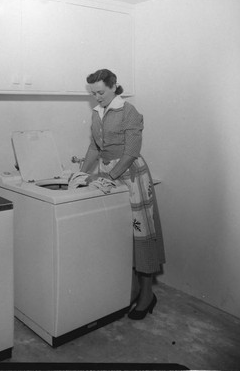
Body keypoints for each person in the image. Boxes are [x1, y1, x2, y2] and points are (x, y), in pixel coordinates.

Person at [79, 68, 166, 320]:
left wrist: (108, 176)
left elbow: (130, 152)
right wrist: (80, 174)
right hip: (110, 174)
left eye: (100, 92)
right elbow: (94, 148)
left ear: (114, 86)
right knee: (119, 234)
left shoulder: (129, 112)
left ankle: (147, 295)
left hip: (131, 175)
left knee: (141, 235)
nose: (96, 97)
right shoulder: (97, 114)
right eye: (93, 93)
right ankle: (130, 290)